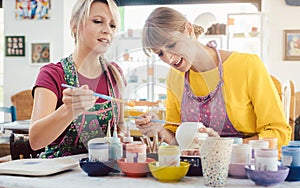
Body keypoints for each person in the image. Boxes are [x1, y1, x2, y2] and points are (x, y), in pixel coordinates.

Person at [135, 7, 291, 151]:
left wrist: (224, 147)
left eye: (171, 45)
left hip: (245, 166)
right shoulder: (175, 77)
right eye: (160, 54)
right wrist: (159, 129)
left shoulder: (247, 66)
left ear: (188, 30)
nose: (168, 59)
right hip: (198, 172)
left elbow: (279, 132)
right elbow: (178, 140)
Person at [29, 0, 126, 158]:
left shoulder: (115, 73)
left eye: (113, 25)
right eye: (98, 21)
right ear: (75, 25)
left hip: (103, 171)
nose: (107, 30)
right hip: (58, 174)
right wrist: (68, 110)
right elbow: (35, 141)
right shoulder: (52, 74)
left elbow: (120, 128)